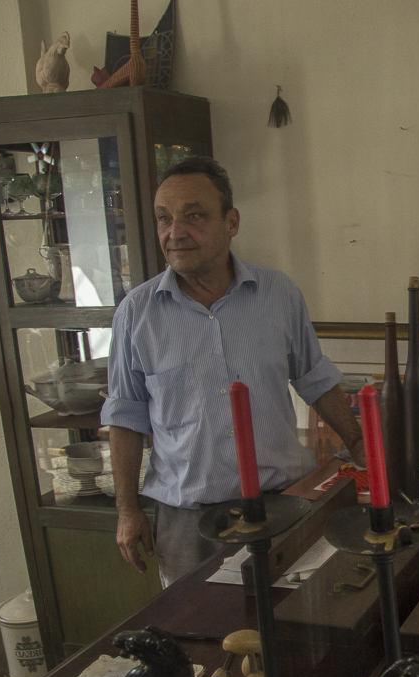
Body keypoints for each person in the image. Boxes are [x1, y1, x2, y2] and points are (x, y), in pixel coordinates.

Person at [101, 157, 364, 587]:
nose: (175, 232)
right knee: (197, 624)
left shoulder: (278, 293)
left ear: (232, 222)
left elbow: (315, 379)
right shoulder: (136, 313)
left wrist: (358, 443)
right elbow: (125, 418)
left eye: (194, 216)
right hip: (187, 523)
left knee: (294, 617)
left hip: (283, 505)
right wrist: (127, 510)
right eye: (164, 218)